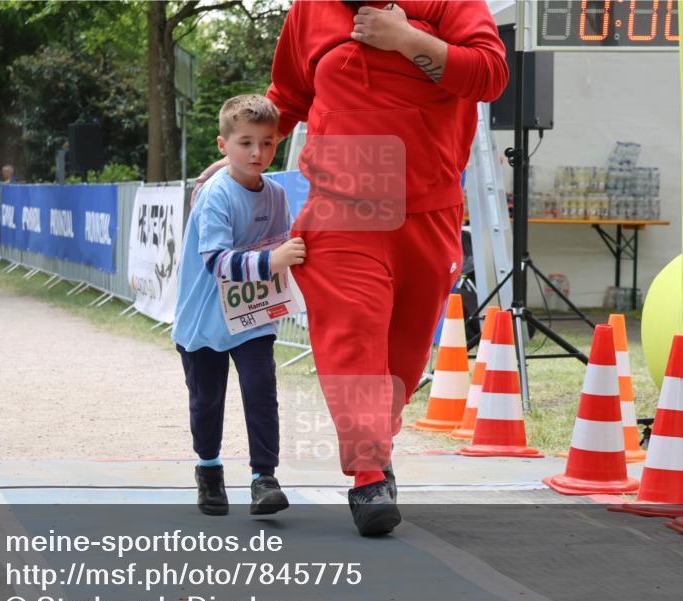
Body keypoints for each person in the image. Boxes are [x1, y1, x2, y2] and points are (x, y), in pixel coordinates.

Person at [196, 1, 508, 536]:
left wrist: (407, 39)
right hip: (343, 209)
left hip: (428, 209)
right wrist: (240, 156)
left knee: (403, 358)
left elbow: (490, 75)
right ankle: (368, 475)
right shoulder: (308, 12)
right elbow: (287, 98)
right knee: (352, 337)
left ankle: (376, 444)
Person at [173, 94, 307, 517]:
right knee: (207, 399)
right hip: (203, 320)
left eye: (267, 143)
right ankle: (209, 471)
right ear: (223, 145)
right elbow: (215, 261)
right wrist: (273, 260)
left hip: (252, 318)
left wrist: (281, 262)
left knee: (260, 391)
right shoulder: (215, 197)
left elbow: (282, 243)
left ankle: (263, 478)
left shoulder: (277, 194)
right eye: (246, 143)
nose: (258, 153)